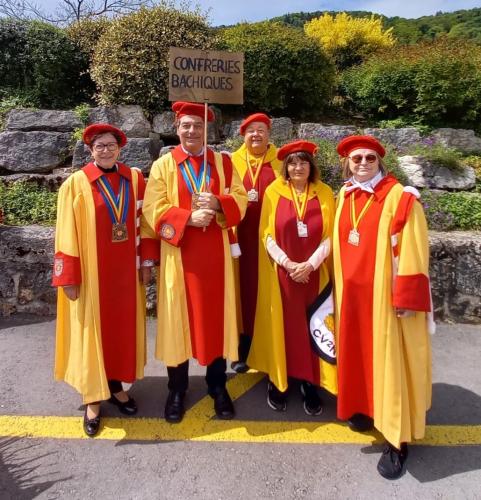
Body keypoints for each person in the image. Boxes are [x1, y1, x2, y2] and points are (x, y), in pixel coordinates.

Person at [332, 135, 433, 479]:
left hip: (385, 300)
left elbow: (415, 250)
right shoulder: (344, 196)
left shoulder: (401, 199)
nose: (362, 164)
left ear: (380, 162)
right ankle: (364, 408)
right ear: (346, 163)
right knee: (360, 359)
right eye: (356, 159)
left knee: (392, 365)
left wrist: (405, 298)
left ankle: (397, 440)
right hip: (353, 300)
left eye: (369, 159)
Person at [142, 101, 248, 423]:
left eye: (198, 126)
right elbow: (152, 208)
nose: (192, 131)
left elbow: (241, 200)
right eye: (186, 125)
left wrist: (218, 203)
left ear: (207, 130)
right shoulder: (164, 166)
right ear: (177, 128)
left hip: (215, 256)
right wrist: (188, 218)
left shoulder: (224, 163)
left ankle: (217, 385)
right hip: (179, 256)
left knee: (213, 321)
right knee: (178, 323)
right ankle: (177, 388)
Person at [53, 124, 158, 437]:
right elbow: (65, 232)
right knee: (93, 334)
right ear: (90, 149)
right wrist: (68, 277)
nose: (106, 150)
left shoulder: (135, 179)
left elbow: (147, 223)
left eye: (111, 145)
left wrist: (147, 262)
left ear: (120, 148)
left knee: (119, 332)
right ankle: (92, 399)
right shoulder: (76, 184)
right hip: (91, 276)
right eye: (100, 145)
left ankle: (115, 386)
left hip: (125, 274)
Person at [247, 140, 337, 415]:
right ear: (285, 167)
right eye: (293, 163)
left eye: (303, 162)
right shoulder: (274, 191)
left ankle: (311, 383)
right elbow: (266, 234)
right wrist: (287, 263)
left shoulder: (325, 193)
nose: (298, 167)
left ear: (312, 166)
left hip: (314, 276)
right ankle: (278, 381)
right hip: (282, 276)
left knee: (311, 327)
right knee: (283, 328)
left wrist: (309, 265)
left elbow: (330, 236)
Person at [230, 113, 282, 373]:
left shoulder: (281, 162)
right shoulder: (232, 162)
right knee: (241, 292)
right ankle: (243, 347)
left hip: (270, 239)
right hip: (239, 238)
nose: (256, 135)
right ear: (243, 135)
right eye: (251, 131)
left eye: (261, 130)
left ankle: (270, 346)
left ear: (269, 133)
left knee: (267, 292)